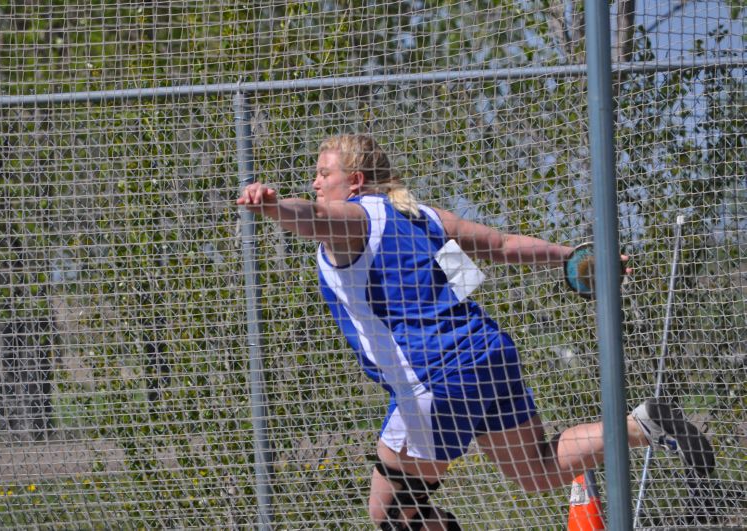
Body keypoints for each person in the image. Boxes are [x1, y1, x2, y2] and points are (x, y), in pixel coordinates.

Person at [236, 134, 714, 530]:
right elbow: (502, 245)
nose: (316, 181)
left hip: (435, 377)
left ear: (355, 181)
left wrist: (275, 206)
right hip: (487, 353)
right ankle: (644, 423)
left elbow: (315, 217)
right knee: (534, 469)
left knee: (389, 511)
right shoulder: (421, 215)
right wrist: (574, 256)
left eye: (325, 173)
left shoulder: (354, 219)